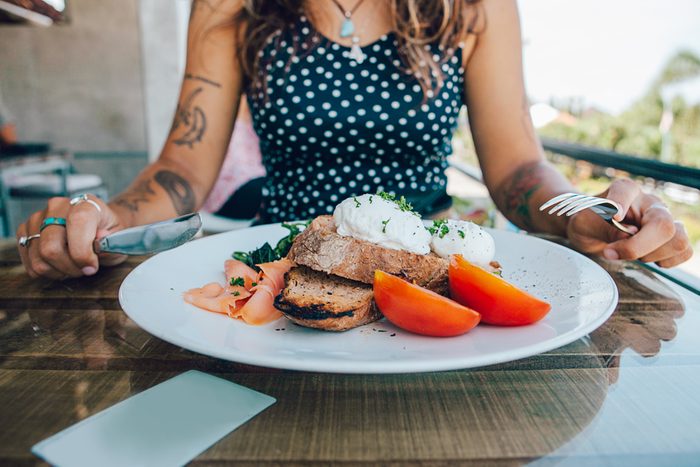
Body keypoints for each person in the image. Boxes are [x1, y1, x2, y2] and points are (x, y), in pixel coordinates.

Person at [16, 0, 693, 279]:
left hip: (427, 271)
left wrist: (582, 210)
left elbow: (518, 168)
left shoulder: (472, 6)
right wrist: (111, 214)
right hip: (274, 268)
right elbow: (179, 171)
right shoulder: (231, 4)